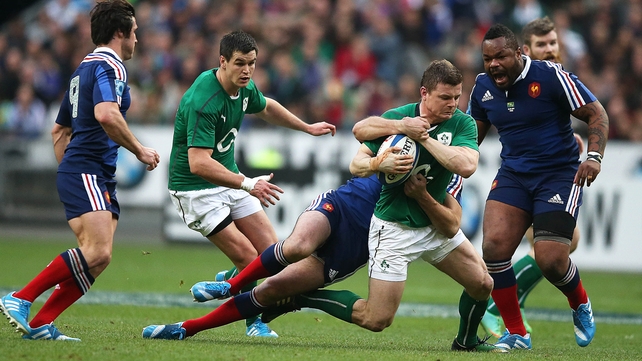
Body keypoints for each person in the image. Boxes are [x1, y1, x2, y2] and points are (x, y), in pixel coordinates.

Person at [142, 61, 504, 352]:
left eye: (458, 97)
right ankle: (208, 307)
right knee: (296, 247)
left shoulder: (461, 129)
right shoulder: (398, 120)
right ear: (425, 94)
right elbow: (359, 149)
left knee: (475, 286)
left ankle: (465, 342)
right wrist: (382, 160)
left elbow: (464, 175)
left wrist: (421, 145)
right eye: (446, 97)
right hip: (362, 212)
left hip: (379, 236)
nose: (454, 104)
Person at [0, 0, 160, 342]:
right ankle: (20, 297)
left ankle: (42, 323)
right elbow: (106, 114)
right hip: (88, 169)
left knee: (99, 259)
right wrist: (140, 150)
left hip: (86, 172)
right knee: (98, 252)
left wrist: (69, 174)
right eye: (135, 32)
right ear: (120, 33)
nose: (138, 40)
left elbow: (59, 130)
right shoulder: (110, 66)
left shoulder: (82, 69)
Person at [165, 29, 336, 338]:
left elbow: (266, 106)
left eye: (252, 63)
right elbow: (198, 163)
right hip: (194, 189)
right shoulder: (204, 101)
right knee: (249, 257)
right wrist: (247, 183)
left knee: (273, 254)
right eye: (240, 63)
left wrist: (306, 127)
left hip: (230, 180)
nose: (247, 70)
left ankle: (230, 277)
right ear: (223, 62)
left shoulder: (243, 87)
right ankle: (253, 322)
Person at [468, 23, 608, 350]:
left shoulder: (550, 77)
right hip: (515, 173)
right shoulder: (483, 87)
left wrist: (594, 156)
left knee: (551, 260)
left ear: (519, 52)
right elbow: (471, 139)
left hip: (559, 173)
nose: (493, 65)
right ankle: (517, 333)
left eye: (501, 56)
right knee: (495, 248)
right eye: (487, 58)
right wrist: (451, 168)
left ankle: (580, 303)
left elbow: (597, 113)